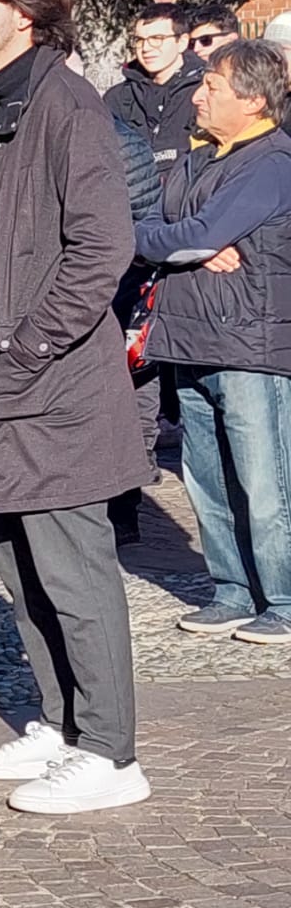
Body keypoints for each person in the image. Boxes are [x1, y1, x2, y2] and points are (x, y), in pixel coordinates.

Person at [0, 0, 154, 815]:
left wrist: (26, 347)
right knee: (19, 564)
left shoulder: (67, 107)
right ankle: (63, 726)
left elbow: (102, 247)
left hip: (54, 391)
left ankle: (112, 752)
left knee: (74, 571)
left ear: (23, 12)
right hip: (3, 389)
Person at [133, 40, 291, 644]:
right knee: (205, 474)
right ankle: (232, 588)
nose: (198, 96)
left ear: (252, 100)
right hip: (189, 334)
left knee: (264, 475)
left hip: (249, 342)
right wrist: (179, 243)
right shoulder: (200, 157)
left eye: (212, 88)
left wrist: (185, 241)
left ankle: (281, 595)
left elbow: (197, 233)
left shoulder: (271, 162)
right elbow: (157, 224)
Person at [106, 0, 203, 171]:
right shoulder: (118, 98)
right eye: (140, 40)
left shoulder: (204, 92)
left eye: (157, 39)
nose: (146, 48)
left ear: (182, 42)